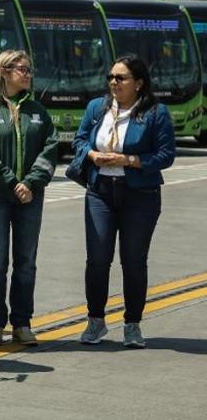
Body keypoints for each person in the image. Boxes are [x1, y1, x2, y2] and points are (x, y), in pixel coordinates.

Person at [73, 56, 175, 348]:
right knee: (97, 260)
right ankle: (95, 321)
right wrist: (92, 156)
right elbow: (80, 141)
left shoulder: (156, 112)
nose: (113, 83)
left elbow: (166, 155)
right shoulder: (97, 108)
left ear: (139, 83)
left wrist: (129, 160)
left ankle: (132, 324)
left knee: (133, 261)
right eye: (111, 77)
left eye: (121, 78)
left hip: (139, 195)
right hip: (100, 191)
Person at [0, 50, 58, 347]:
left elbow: (51, 148)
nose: (28, 74)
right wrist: (11, 183)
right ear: (5, 72)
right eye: (22, 69)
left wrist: (30, 183)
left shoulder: (38, 110)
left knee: (26, 261)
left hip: (30, 197)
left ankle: (22, 322)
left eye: (29, 69)